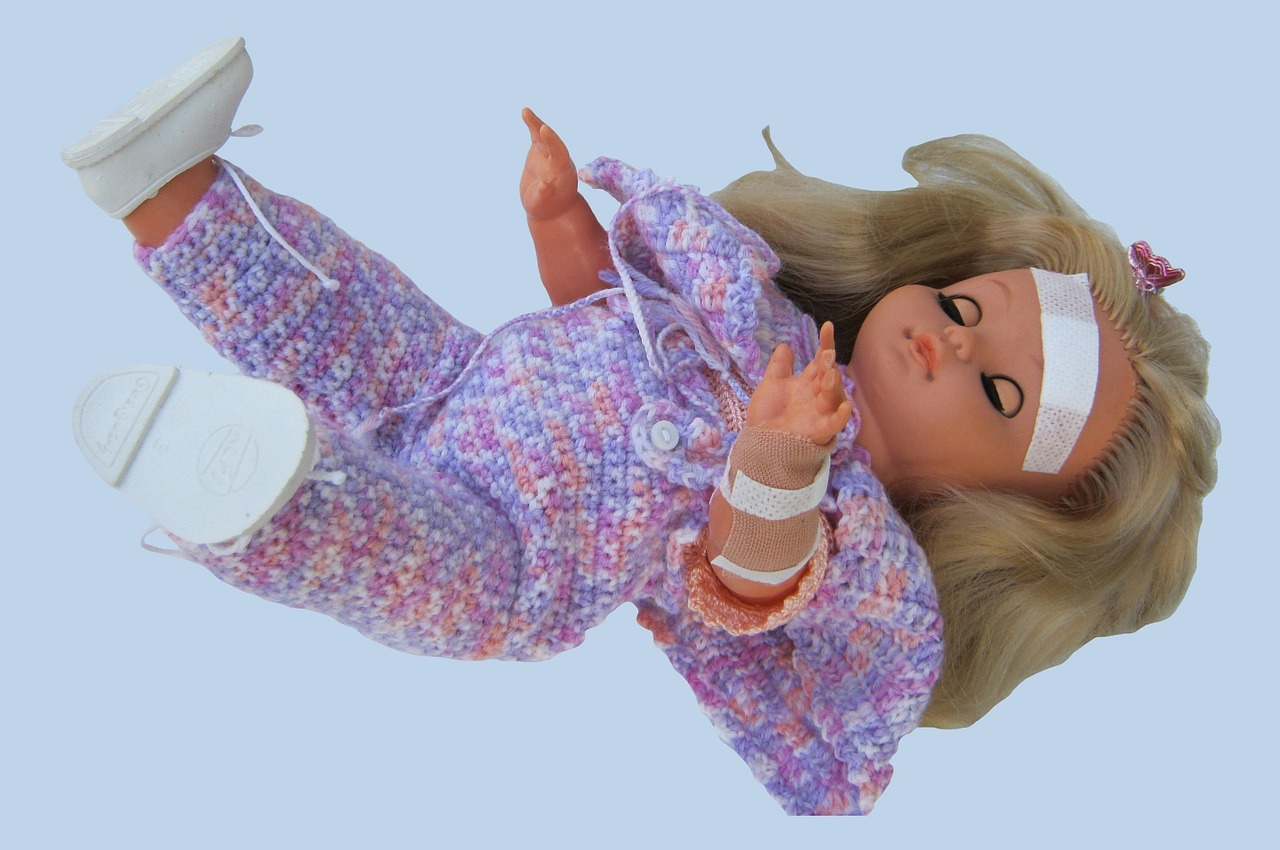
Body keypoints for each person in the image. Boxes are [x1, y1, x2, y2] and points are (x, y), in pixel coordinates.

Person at [63, 37, 1218, 815]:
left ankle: (257, 491)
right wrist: (558, 219)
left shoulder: (851, 536)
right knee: (341, 310)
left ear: (992, 504)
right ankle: (170, 191)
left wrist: (778, 462)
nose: (949, 345)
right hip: (461, 379)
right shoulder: (761, 312)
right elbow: (612, 312)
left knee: (396, 549)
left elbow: (744, 576)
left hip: (517, 555)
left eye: (999, 394)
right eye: (965, 310)